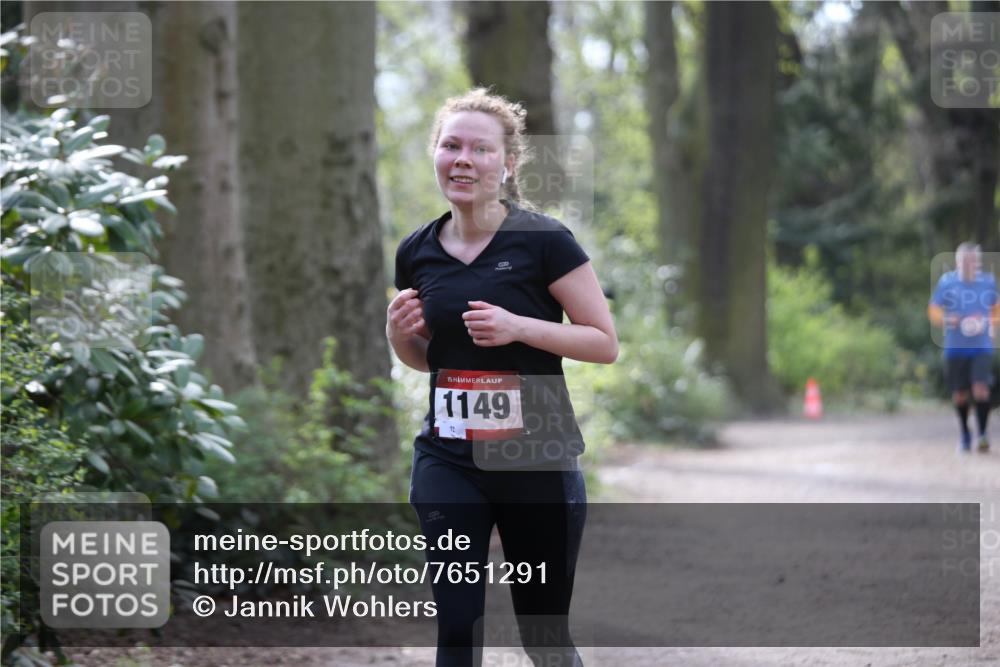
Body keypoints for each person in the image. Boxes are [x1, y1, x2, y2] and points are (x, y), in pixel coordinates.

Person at [386, 88, 618, 666]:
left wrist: (519, 327)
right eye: (451, 146)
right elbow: (432, 359)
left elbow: (603, 342)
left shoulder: (545, 241)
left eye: (481, 149)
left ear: (508, 163)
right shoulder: (416, 252)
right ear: (436, 154)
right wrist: (398, 338)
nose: (463, 159)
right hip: (449, 458)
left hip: (536, 459)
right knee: (457, 628)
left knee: (543, 636)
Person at [928, 242, 999, 452]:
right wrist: (948, 319)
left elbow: (997, 310)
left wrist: (987, 323)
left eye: (974, 261)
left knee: (980, 389)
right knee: (959, 394)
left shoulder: (988, 282)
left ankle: (983, 435)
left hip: (981, 346)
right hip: (955, 347)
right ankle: (965, 434)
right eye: (966, 261)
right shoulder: (947, 282)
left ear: (978, 262)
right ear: (958, 261)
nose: (970, 264)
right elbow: (933, 310)